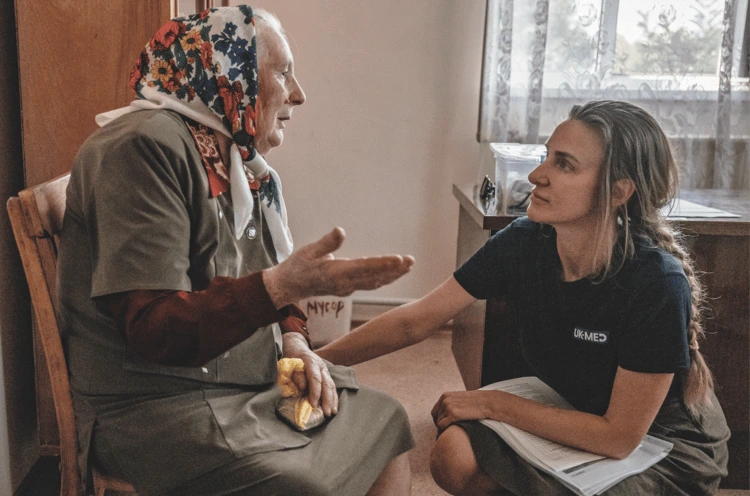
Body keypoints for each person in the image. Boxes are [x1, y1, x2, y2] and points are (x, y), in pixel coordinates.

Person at [57, 6, 415, 496]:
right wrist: (280, 287)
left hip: (241, 380)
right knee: (300, 485)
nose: (298, 93)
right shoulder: (140, 149)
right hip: (156, 406)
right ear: (230, 73)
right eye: (283, 71)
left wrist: (294, 340)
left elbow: (268, 278)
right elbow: (155, 330)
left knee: (386, 422)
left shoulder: (233, 156)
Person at [318, 100, 730, 495]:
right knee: (453, 457)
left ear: (620, 191)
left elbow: (618, 438)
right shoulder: (524, 242)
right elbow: (417, 320)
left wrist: (494, 404)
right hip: (571, 408)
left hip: (658, 444)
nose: (536, 176)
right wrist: (315, 362)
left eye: (564, 165)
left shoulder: (656, 281)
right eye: (546, 156)